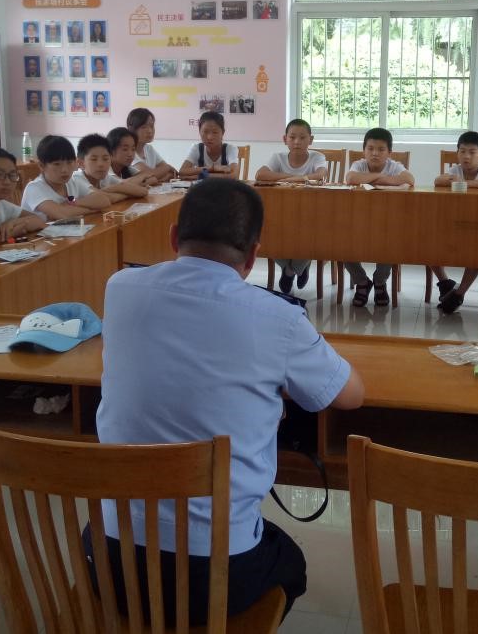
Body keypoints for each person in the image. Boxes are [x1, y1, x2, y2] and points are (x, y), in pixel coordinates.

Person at [94, 178, 364, 624]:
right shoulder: (278, 318)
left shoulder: (120, 287)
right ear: (254, 255)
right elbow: (350, 396)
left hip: (109, 562)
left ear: (174, 237)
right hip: (211, 573)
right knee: (290, 563)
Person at [255, 119, 328, 295]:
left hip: (311, 214)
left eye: (302, 137)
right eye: (292, 137)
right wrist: (294, 178)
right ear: (285, 139)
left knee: (316, 234)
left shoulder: (317, 157)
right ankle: (300, 267)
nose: (297, 142)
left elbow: (320, 175)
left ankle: (290, 271)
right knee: (266, 231)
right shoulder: (278, 157)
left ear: (311, 140)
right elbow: (260, 174)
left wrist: (284, 178)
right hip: (282, 213)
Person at [433, 131, 478, 314]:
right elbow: (438, 181)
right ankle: (445, 282)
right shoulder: (455, 170)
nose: (466, 156)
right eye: (462, 151)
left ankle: (459, 293)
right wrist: (453, 180)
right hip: (453, 222)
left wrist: (464, 184)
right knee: (427, 241)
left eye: (472, 152)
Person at [345, 127, 413, 307]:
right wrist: (381, 177)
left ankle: (380, 281)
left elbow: (409, 179)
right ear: (364, 150)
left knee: (392, 240)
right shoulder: (359, 164)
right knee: (340, 242)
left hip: (387, 221)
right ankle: (362, 281)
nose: (375, 153)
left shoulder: (394, 166)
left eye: (381, 149)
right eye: (370, 148)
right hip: (358, 220)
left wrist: (369, 178)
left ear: (389, 152)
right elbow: (351, 178)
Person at [20, 136, 110, 221]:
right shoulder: (34, 188)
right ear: (42, 166)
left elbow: (104, 200)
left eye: (69, 162)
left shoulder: (72, 181)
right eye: (57, 164)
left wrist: (73, 202)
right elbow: (63, 214)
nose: (65, 170)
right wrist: (93, 209)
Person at [72, 135, 149, 200]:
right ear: (81, 163)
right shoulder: (77, 179)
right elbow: (101, 199)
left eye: (105, 159)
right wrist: (125, 193)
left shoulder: (106, 177)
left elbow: (143, 191)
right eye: (94, 159)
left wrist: (115, 188)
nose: (101, 164)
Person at [179, 112, 240, 179]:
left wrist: (200, 176)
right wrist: (212, 168)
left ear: (223, 133)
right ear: (199, 132)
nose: (210, 137)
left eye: (215, 132)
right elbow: (182, 172)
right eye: (205, 132)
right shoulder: (197, 148)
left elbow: (234, 175)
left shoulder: (230, 149)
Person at [126, 107, 177, 182]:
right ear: (132, 129)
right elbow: (148, 175)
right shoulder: (129, 152)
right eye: (144, 127)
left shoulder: (149, 148)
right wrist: (168, 167)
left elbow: (171, 173)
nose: (149, 131)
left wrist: (157, 178)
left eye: (152, 126)